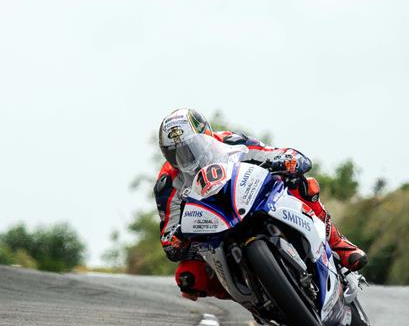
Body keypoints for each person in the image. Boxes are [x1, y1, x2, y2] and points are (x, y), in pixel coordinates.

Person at [154, 108, 367, 301]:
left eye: (192, 147)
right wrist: (176, 238)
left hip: (250, 201)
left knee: (302, 184)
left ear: (207, 135)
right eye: (176, 154)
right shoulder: (167, 183)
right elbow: (169, 236)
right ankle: (254, 298)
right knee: (188, 277)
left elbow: (271, 153)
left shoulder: (231, 141)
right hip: (213, 231)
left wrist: (288, 160)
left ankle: (339, 243)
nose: (186, 158)